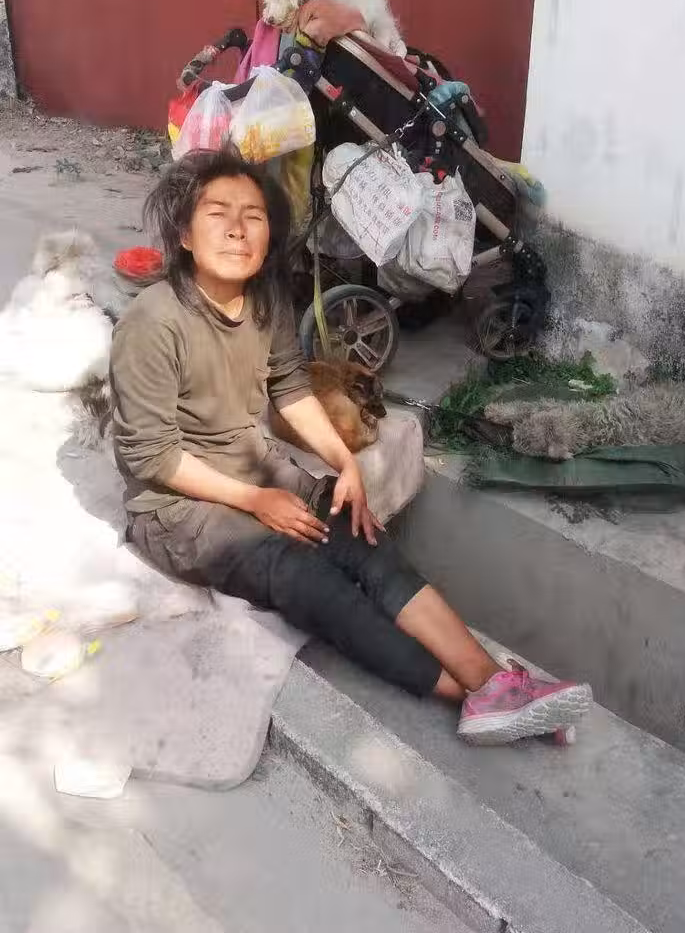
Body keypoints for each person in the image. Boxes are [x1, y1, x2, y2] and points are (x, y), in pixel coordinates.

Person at [110, 146, 591, 745]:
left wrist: (346, 464)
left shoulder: (265, 301)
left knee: (362, 541)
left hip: (250, 469)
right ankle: (469, 696)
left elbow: (289, 387)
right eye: (217, 213)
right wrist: (257, 502)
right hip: (175, 506)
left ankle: (493, 683)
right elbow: (151, 456)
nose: (237, 229)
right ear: (184, 234)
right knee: (304, 577)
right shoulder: (152, 323)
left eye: (253, 216)